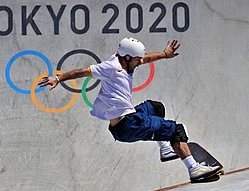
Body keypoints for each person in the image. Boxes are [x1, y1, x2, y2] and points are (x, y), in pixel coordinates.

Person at [38, 37, 221, 181]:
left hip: (129, 118)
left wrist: (165, 54)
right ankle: (194, 169)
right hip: (128, 126)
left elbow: (146, 58)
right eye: (136, 60)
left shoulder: (128, 61)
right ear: (126, 58)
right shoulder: (111, 67)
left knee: (156, 107)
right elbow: (82, 72)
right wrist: (58, 78)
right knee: (176, 130)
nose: (139, 62)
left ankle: (165, 148)